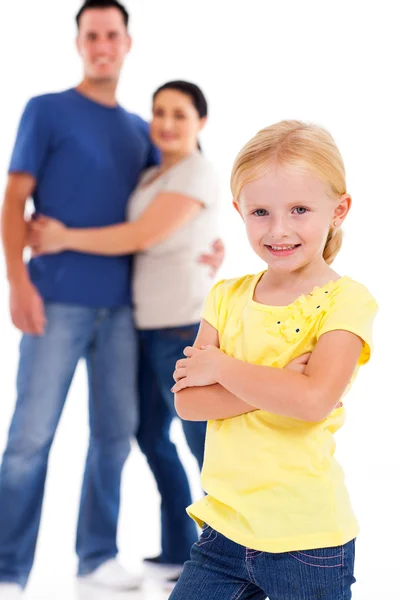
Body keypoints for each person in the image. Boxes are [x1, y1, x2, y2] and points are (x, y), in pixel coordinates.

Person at [0, 2, 223, 597]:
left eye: (112, 34)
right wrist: (17, 282)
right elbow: (14, 198)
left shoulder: (140, 133)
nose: (102, 44)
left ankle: (95, 556)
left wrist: (215, 246)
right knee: (30, 437)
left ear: (127, 43)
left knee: (112, 435)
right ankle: (7, 569)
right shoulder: (45, 110)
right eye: (91, 34)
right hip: (56, 301)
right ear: (79, 42)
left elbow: (165, 214)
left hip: (126, 311)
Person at [168, 120, 378, 600]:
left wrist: (221, 369)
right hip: (224, 528)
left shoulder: (346, 301)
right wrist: (278, 383)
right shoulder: (225, 296)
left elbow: (311, 401)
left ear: (338, 210)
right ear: (239, 210)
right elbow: (189, 405)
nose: (278, 229)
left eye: (300, 209)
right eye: (261, 211)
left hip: (307, 539)